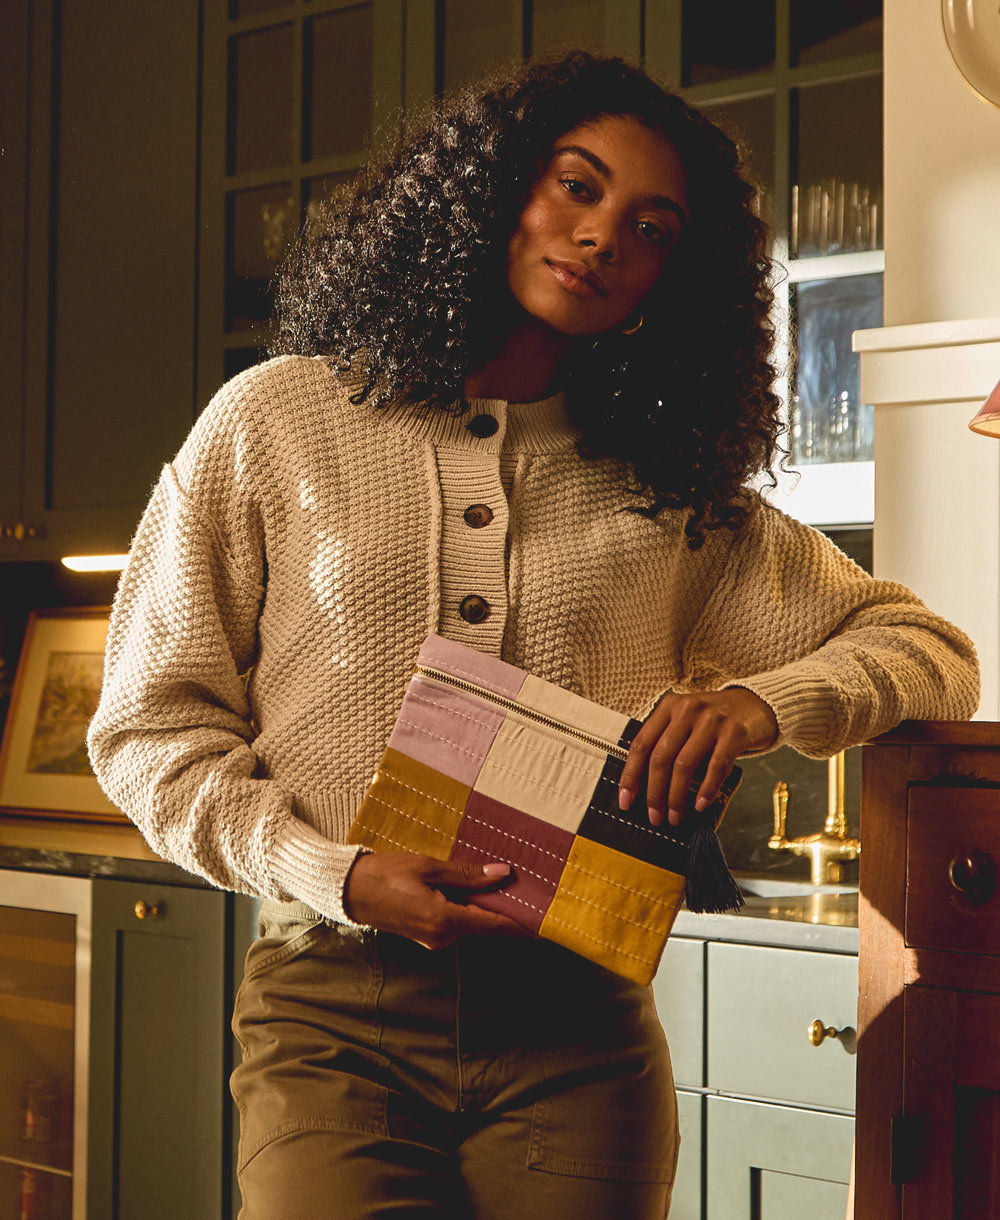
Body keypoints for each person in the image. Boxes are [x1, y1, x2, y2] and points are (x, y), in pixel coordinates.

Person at [88, 51, 978, 1220]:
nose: (603, 235)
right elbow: (150, 732)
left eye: (650, 227)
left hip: (581, 1027)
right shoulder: (275, 420)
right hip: (330, 1010)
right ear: (491, 188)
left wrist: (759, 703)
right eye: (576, 185)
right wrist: (333, 871)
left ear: (671, 277)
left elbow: (930, 651)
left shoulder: (669, 490)